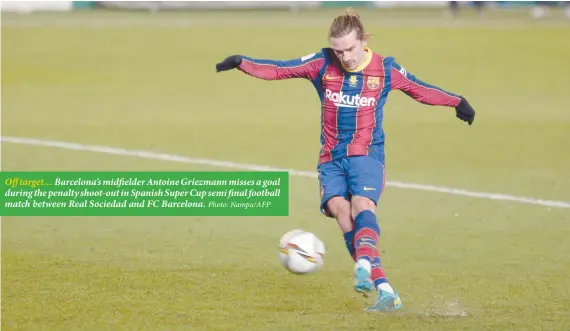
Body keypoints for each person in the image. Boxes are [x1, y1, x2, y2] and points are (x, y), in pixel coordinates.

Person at [215, 8, 476, 312]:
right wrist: (241, 62)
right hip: (330, 158)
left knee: (362, 206)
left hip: (366, 154)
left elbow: (420, 89)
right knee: (340, 211)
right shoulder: (323, 63)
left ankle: (364, 263)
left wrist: (457, 101)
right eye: (339, 50)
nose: (346, 57)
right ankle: (386, 290)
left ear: (363, 40)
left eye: (350, 48)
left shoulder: (385, 69)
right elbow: (280, 69)